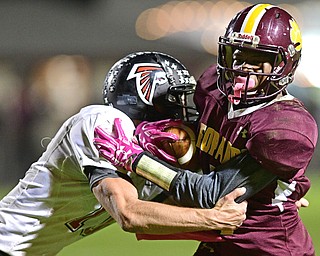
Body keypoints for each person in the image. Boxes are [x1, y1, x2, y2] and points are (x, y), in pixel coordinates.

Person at [94, 4, 317, 256]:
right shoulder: (212, 89)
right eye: (238, 55)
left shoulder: (286, 127)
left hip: (266, 248)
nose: (243, 67)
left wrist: (134, 158)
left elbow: (211, 194)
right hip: (219, 241)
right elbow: (198, 152)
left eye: (257, 60)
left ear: (284, 65)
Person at [0, 51, 248, 256]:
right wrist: (212, 219)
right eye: (174, 99)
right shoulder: (104, 123)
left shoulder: (152, 151)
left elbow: (179, 205)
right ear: (144, 95)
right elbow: (129, 214)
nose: (183, 112)